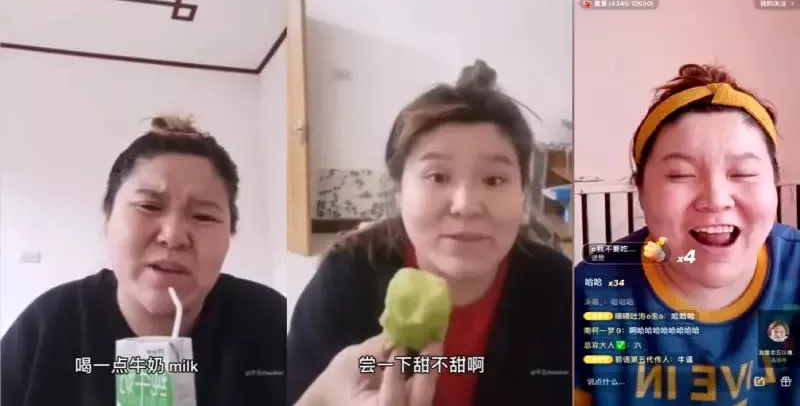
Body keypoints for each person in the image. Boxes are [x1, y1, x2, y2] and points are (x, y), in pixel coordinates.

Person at [288, 60, 573, 406]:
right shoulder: (347, 278)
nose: (466, 205)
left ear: (523, 194)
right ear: (399, 192)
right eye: (437, 176)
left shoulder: (561, 290)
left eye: (493, 179)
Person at [1, 116, 287, 405]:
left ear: (231, 232)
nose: (173, 236)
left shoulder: (273, 322)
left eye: (203, 216)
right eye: (148, 206)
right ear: (108, 217)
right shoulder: (46, 328)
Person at [574, 64, 800, 405]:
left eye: (743, 173)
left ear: (775, 184)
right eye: (680, 174)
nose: (716, 199)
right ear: (641, 191)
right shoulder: (591, 293)